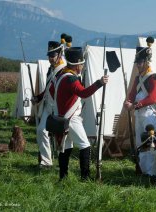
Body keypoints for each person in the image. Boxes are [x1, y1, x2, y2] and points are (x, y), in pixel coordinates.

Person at [48, 47, 108, 180]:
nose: (82, 66)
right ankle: (85, 177)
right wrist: (99, 83)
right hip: (71, 118)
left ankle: (63, 177)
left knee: (66, 148)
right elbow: (84, 93)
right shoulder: (71, 79)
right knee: (85, 146)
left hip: (61, 117)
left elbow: (52, 90)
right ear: (77, 65)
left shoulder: (61, 74)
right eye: (81, 64)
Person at [124, 37, 156, 176]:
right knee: (140, 142)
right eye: (137, 63)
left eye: (140, 62)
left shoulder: (155, 77)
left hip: (149, 114)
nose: (138, 65)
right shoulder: (137, 78)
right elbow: (132, 93)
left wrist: (135, 105)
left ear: (147, 61)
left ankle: (152, 172)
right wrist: (127, 102)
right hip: (139, 113)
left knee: (150, 143)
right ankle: (142, 168)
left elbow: (153, 97)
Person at [32, 40, 66, 168]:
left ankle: (63, 163)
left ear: (59, 54)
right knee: (41, 131)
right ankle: (46, 162)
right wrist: (38, 98)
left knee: (63, 138)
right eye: (49, 55)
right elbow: (47, 89)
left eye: (53, 55)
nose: (50, 58)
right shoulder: (49, 70)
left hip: (59, 107)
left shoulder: (64, 70)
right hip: (48, 106)